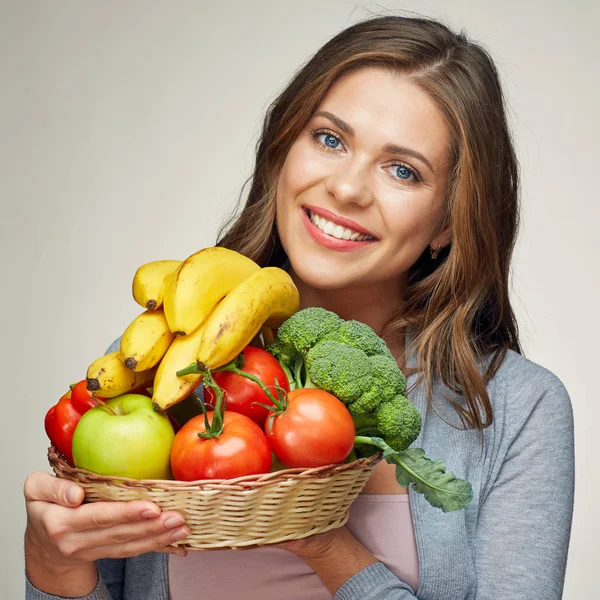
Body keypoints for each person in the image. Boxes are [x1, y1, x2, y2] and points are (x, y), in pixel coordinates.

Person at [24, 15, 575, 600]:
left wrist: (324, 543)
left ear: (446, 222)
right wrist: (52, 566)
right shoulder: (164, 368)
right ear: (284, 149)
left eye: (403, 170)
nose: (346, 188)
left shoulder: (521, 409)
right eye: (330, 138)